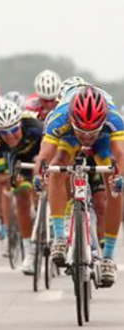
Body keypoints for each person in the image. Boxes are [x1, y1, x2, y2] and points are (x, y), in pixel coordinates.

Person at [35, 85, 124, 287]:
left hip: (104, 141)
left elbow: (120, 155)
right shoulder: (60, 117)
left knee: (114, 181)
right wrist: (39, 175)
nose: (86, 137)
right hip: (68, 137)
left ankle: (108, 257)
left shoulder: (114, 119)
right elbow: (44, 156)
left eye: (91, 132)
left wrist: (120, 177)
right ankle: (59, 236)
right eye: (83, 131)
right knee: (58, 164)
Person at [0, 99, 44, 274]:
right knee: (21, 196)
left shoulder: (35, 127)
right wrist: (11, 179)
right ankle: (29, 250)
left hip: (38, 157)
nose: (10, 136)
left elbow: (53, 149)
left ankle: (46, 215)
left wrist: (42, 160)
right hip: (17, 164)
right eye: (4, 133)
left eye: (14, 130)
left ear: (20, 124)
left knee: (41, 182)